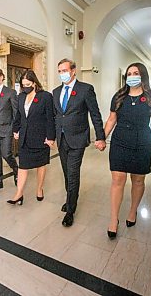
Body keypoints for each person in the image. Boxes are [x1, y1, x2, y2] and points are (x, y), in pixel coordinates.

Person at [103, 62, 151, 239]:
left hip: (142, 142)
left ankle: (132, 211)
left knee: (138, 180)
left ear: (142, 75)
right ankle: (113, 219)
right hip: (120, 142)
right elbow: (111, 119)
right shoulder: (119, 96)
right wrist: (102, 138)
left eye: (135, 73)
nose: (132, 76)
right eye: (129, 74)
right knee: (117, 179)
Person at [53, 58, 106, 227]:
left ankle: (70, 210)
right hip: (61, 139)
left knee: (73, 172)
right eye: (59, 71)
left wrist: (100, 136)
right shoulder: (55, 92)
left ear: (73, 70)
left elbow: (95, 114)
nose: (62, 74)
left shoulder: (85, 89)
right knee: (67, 173)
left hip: (78, 138)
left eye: (65, 70)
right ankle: (71, 198)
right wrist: (51, 136)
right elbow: (56, 116)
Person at [7, 70, 55, 205]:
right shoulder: (21, 96)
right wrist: (15, 130)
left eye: (28, 84)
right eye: (23, 85)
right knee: (23, 166)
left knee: (41, 165)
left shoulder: (45, 97)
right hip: (25, 137)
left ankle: (39, 189)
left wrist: (50, 137)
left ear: (34, 82)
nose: (25, 87)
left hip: (41, 137)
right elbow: (19, 116)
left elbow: (50, 119)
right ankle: (19, 194)